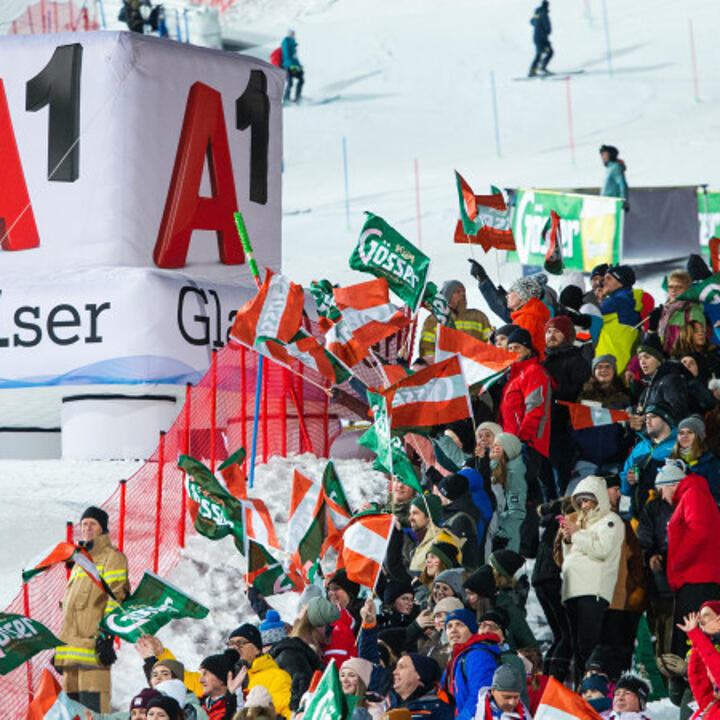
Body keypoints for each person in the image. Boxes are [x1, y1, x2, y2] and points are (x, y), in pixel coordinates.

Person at [55, 506, 130, 712]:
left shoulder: (112, 558)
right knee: (71, 714)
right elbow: (71, 612)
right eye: (84, 523)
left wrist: (107, 636)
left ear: (103, 529)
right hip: (71, 655)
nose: (87, 527)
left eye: (92, 523)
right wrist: (61, 650)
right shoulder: (80, 560)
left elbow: (116, 599)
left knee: (93, 712)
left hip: (93, 653)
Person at [556, 476, 624, 680]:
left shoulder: (610, 521)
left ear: (600, 499)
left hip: (592, 591)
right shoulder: (583, 527)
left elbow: (602, 549)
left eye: (588, 500)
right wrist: (568, 541)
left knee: (588, 645)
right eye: (581, 502)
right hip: (573, 590)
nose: (584, 506)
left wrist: (576, 534)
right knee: (577, 647)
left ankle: (592, 689)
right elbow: (570, 559)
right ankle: (580, 689)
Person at [659, 460, 720, 656]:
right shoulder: (693, 494)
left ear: (670, 483)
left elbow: (699, 533)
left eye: (661, 490)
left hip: (697, 578)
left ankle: (692, 683)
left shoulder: (693, 494)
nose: (661, 496)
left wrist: (678, 563)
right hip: (694, 577)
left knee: (692, 638)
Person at [543, 315, 591, 495]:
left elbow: (578, 392)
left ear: (567, 335)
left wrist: (554, 392)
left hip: (563, 429)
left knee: (562, 480)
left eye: (557, 331)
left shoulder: (575, 359)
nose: (551, 335)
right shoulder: (543, 360)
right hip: (545, 428)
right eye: (548, 331)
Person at [468, 264, 551, 361]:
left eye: (511, 291)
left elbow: (516, 352)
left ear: (521, 296)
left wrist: (494, 342)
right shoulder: (528, 315)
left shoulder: (526, 319)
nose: (507, 296)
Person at [620, 403, 678, 519]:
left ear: (667, 419)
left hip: (668, 516)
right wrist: (625, 512)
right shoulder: (640, 447)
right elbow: (625, 476)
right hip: (639, 516)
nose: (647, 421)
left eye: (652, 417)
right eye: (646, 418)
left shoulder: (678, 446)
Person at [442, 609, 502, 720]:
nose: (453, 630)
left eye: (459, 625)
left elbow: (481, 696)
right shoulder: (456, 659)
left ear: (471, 629)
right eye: (449, 626)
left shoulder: (478, 656)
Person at [419, 280, 491, 358]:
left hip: (475, 367)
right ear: (448, 296)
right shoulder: (435, 319)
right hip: (448, 367)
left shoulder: (478, 316)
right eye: (458, 292)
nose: (463, 294)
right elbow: (426, 346)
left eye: (464, 291)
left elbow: (490, 343)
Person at [488, 433, 527, 552]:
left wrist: (503, 535)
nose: (493, 448)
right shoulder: (497, 466)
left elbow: (517, 512)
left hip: (507, 538)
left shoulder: (514, 474)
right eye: (493, 445)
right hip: (497, 528)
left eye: (498, 446)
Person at [383, 653, 452, 719]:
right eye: (396, 668)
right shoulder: (387, 705)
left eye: (402, 667)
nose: (394, 672)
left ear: (419, 673)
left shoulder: (438, 708)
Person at [681, 605, 720, 720]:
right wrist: (703, 635)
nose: (701, 621)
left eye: (706, 616)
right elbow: (697, 675)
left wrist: (697, 635)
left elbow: (716, 667)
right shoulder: (711, 704)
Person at [670, 415, 720, 505]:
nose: (685, 436)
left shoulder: (710, 464)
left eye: (690, 432)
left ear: (700, 436)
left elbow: (715, 496)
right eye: (681, 433)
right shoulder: (671, 461)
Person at [528, 1, 553, 77]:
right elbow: (547, 27)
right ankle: (535, 70)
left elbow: (532, 21)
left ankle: (539, 68)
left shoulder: (537, 13)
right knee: (547, 53)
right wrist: (547, 31)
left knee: (544, 53)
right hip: (542, 39)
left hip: (537, 37)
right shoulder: (544, 14)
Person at [281, 30, 304, 103]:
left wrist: (299, 66)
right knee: (290, 82)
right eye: (292, 34)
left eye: (294, 34)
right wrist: (291, 65)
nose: (293, 35)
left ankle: (298, 97)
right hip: (287, 66)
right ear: (289, 34)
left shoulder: (293, 43)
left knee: (301, 80)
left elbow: (295, 57)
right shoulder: (286, 41)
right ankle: (286, 99)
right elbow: (286, 55)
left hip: (294, 66)